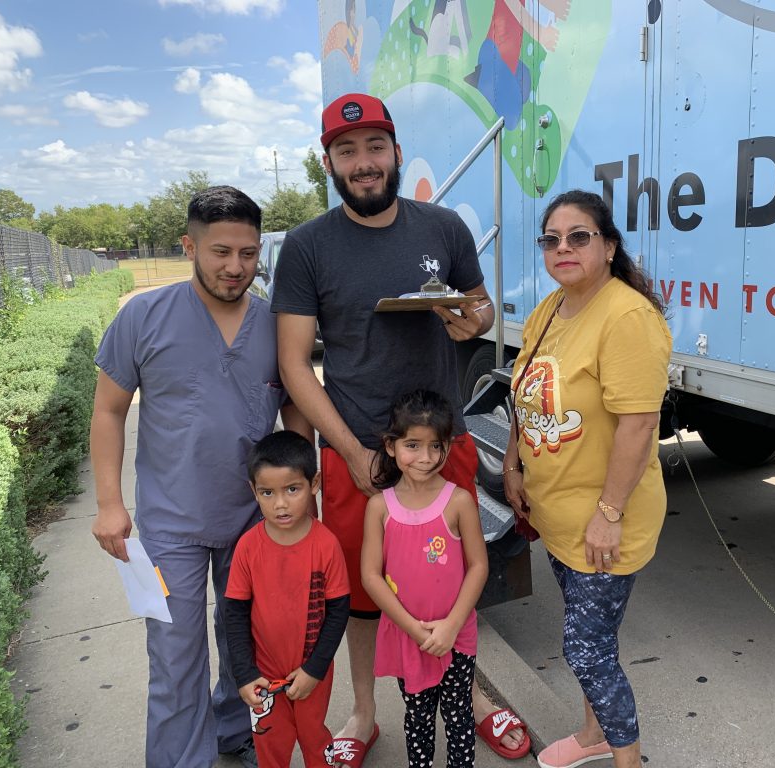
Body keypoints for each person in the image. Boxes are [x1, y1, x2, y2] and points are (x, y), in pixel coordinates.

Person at [272, 91, 530, 764]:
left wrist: (470, 320)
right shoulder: (306, 248)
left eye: (374, 148)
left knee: (456, 578)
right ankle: (364, 711)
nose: (363, 163)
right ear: (328, 161)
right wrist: (351, 450)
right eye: (346, 152)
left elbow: (478, 311)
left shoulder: (442, 228)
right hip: (355, 449)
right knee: (361, 593)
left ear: (396, 152)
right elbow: (295, 365)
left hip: (446, 446)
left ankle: (468, 699)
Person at [90, 186, 312, 768]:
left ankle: (234, 727)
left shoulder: (276, 325)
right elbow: (109, 411)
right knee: (175, 655)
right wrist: (109, 504)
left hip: (254, 521)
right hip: (171, 526)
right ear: (190, 245)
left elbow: (293, 412)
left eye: (247, 253)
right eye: (220, 252)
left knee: (250, 641)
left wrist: (303, 491)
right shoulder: (144, 317)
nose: (235, 267)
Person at [502, 190, 672, 768]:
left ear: (608, 246)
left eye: (579, 236)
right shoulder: (548, 310)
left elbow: (638, 423)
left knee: (584, 647)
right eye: (551, 239)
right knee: (595, 638)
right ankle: (593, 734)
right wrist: (513, 463)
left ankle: (627, 760)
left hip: (605, 522)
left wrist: (609, 514)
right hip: (557, 513)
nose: (563, 248)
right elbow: (522, 392)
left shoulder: (626, 316)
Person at [361, 389, 489, 767]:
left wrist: (451, 626)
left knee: (459, 715)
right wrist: (414, 631)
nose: (426, 457)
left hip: (456, 636)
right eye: (413, 445)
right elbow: (370, 576)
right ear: (391, 446)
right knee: (417, 718)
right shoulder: (379, 506)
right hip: (407, 636)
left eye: (436, 446)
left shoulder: (459, 501)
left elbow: (478, 567)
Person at [225, 430, 350, 768]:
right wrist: (244, 673)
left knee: (314, 740)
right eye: (267, 492)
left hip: (312, 672)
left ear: (315, 483)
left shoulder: (326, 545)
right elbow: (233, 614)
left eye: (292, 489)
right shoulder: (248, 547)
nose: (280, 504)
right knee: (270, 746)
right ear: (254, 491)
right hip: (263, 676)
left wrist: (315, 668)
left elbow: (339, 612)